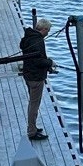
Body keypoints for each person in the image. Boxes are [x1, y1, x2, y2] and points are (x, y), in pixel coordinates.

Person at [19, 12, 53, 141]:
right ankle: (32, 132)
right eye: (48, 30)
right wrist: (50, 62)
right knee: (34, 104)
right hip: (36, 77)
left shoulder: (28, 37)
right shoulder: (38, 41)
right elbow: (38, 61)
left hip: (28, 74)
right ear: (43, 29)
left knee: (33, 103)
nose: (48, 33)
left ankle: (32, 126)